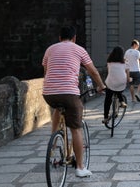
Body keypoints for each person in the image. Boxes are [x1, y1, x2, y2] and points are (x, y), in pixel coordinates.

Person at [42, 26, 106, 178]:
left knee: (58, 108)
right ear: (74, 38)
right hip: (69, 93)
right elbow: (93, 71)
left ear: (59, 38)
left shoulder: (50, 49)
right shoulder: (78, 49)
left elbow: (46, 71)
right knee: (76, 128)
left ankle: (54, 140)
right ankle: (80, 167)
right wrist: (101, 85)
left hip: (49, 93)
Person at [103, 46, 129, 124]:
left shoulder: (109, 62)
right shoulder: (125, 62)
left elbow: (109, 72)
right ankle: (121, 101)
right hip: (121, 82)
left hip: (111, 82)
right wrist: (128, 80)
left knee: (108, 99)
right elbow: (127, 73)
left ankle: (105, 117)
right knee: (118, 87)